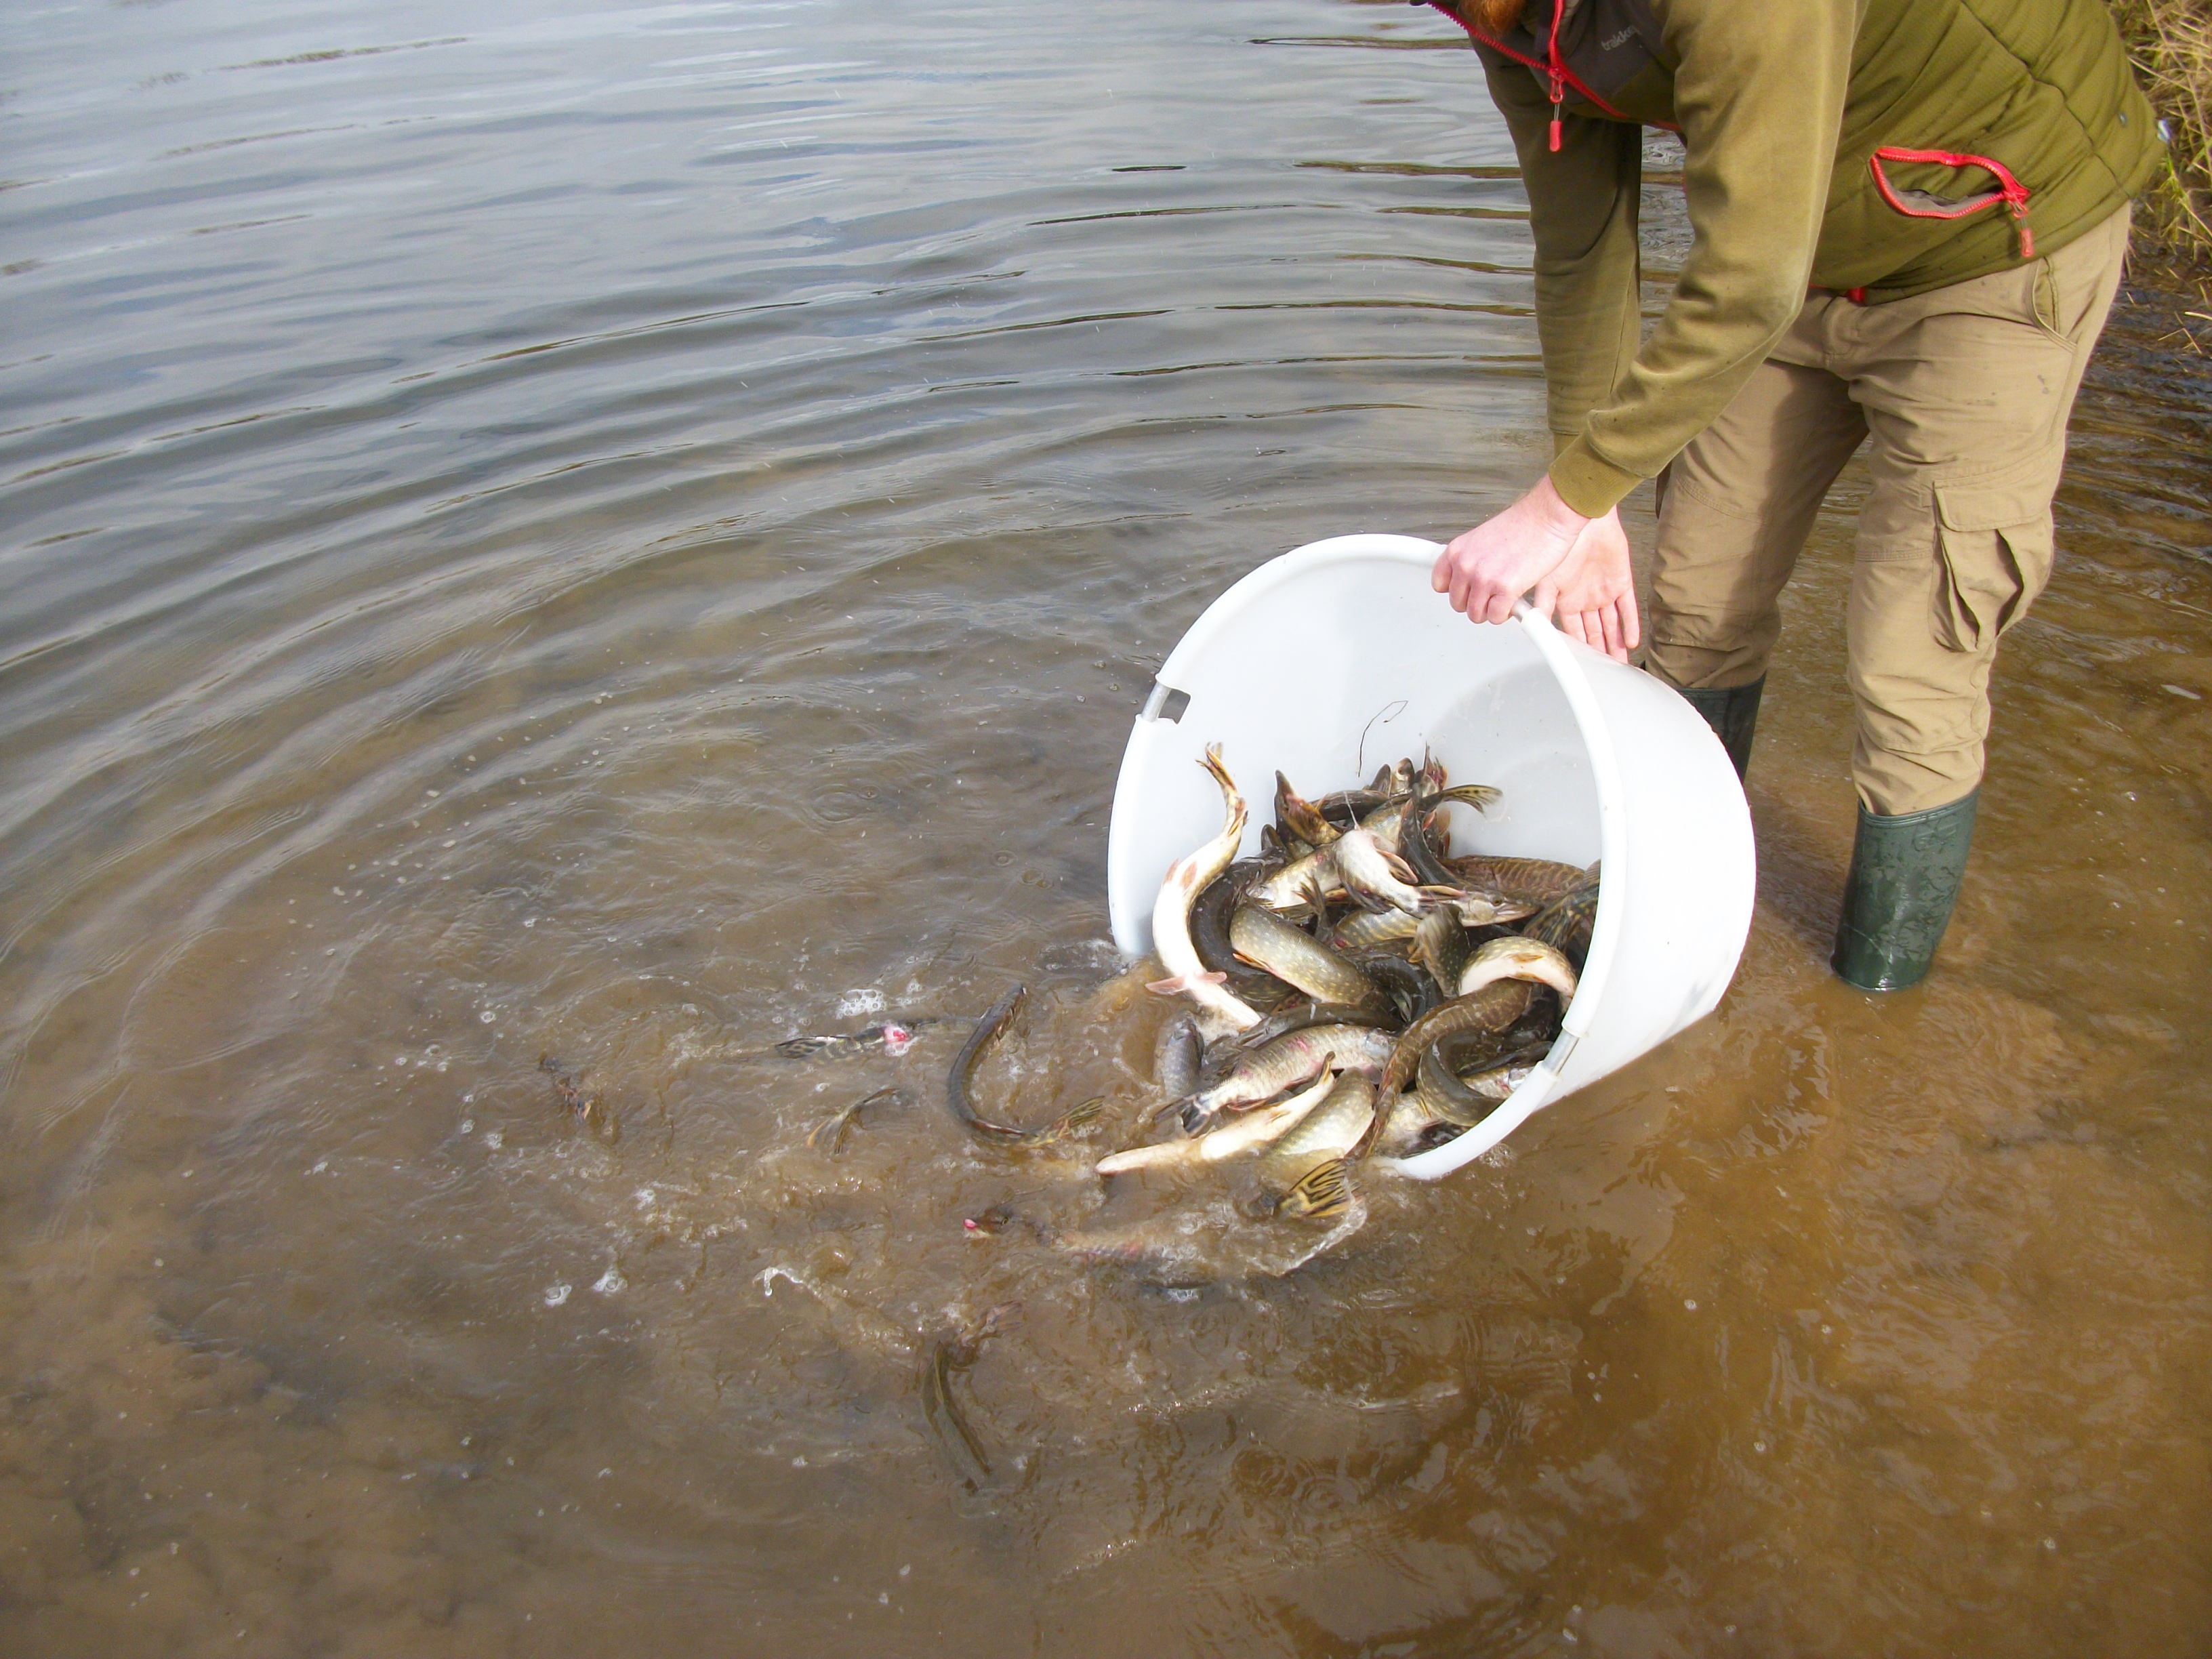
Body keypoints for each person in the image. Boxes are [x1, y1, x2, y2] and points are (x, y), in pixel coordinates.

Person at [1420, 0, 2160, 989]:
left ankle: (1877, 1002)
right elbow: (1583, 249)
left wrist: (1556, 507)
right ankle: (1670, 946)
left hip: (1994, 239)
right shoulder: (1503, 17)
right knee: (1696, 608)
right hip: (1792, 258)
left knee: (1911, 663)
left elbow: (1748, 285)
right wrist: (1589, 505)